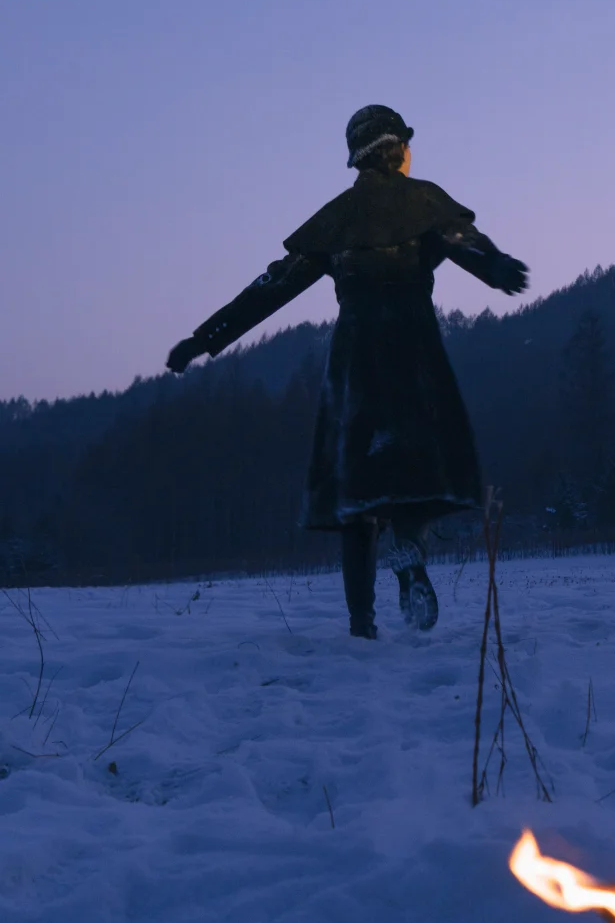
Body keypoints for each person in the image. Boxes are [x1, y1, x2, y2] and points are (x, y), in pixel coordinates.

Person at [166, 105, 528, 637]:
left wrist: (205, 338)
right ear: (396, 148)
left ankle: (362, 625)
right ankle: (408, 548)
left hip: (355, 363)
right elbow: (461, 241)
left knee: (357, 493)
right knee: (416, 475)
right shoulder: (424, 200)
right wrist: (495, 267)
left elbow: (271, 288)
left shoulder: (336, 219)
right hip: (415, 355)